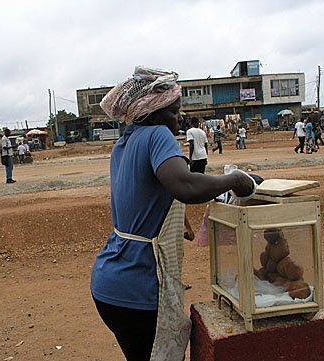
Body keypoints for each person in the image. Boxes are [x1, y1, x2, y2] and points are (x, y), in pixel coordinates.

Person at [90, 66, 254, 361]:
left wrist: (180, 221)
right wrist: (236, 180)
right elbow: (185, 185)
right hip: (138, 287)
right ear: (153, 113)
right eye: (175, 111)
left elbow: (146, 194)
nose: (180, 117)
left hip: (109, 282)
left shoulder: (125, 143)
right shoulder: (158, 135)